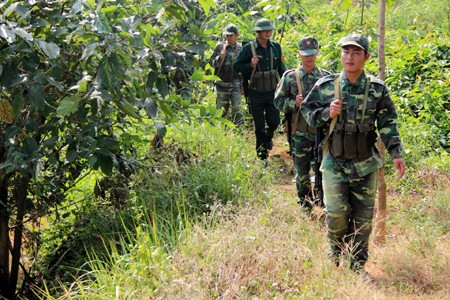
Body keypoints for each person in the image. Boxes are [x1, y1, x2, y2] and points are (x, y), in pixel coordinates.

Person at [301, 33, 406, 275]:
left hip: (366, 163)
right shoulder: (326, 86)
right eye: (346, 52)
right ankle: (334, 256)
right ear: (341, 55)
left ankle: (357, 265)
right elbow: (307, 110)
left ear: (366, 57)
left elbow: (388, 122)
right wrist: (327, 112)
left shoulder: (377, 89)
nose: (350, 57)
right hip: (335, 162)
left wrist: (396, 153)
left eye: (356, 52)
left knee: (363, 219)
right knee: (336, 213)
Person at [274, 37, 331, 213]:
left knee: (323, 170)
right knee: (302, 173)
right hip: (299, 133)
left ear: (317, 53)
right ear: (299, 54)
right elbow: (278, 101)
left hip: (321, 132)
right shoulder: (290, 77)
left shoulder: (325, 77)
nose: (309, 58)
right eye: (306, 54)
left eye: (312, 54)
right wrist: (293, 103)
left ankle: (324, 202)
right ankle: (305, 205)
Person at [233, 18, 286, 162]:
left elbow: (281, 68)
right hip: (255, 92)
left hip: (272, 91)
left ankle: (268, 138)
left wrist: (287, 83)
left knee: (274, 122)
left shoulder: (276, 47)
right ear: (258, 32)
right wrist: (250, 64)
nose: (268, 33)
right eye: (265, 30)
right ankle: (262, 156)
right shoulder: (249, 48)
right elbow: (236, 66)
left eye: (270, 30)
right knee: (259, 126)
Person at [209, 24, 244, 126]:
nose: (227, 38)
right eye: (226, 35)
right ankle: (221, 133)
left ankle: (239, 132)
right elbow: (211, 63)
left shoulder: (241, 48)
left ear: (236, 35)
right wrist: (220, 58)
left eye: (230, 35)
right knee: (221, 111)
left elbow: (243, 69)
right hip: (221, 84)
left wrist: (243, 86)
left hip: (236, 83)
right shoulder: (220, 47)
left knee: (237, 110)